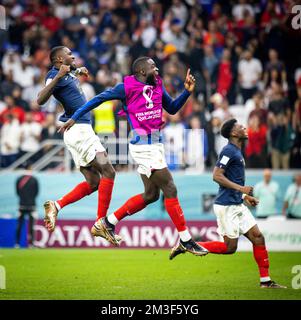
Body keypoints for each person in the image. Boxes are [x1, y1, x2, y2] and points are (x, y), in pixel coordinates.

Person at [59, 56, 208, 256]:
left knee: (151, 195)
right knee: (170, 188)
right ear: (142, 71)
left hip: (155, 144)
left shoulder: (157, 85)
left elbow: (171, 108)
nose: (157, 70)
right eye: (153, 67)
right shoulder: (125, 88)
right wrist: (74, 118)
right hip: (143, 146)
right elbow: (97, 99)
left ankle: (107, 223)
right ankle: (186, 240)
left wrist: (187, 93)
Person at [169, 118, 286, 288]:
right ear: (233, 133)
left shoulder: (237, 151)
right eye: (240, 126)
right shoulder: (228, 151)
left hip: (237, 204)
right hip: (226, 206)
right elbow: (216, 175)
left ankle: (265, 281)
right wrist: (242, 189)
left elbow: (230, 180)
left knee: (258, 238)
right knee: (230, 248)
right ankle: (187, 245)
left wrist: (245, 197)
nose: (244, 127)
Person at [37, 46, 118, 242]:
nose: (73, 55)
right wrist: (59, 76)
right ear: (58, 59)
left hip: (78, 133)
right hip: (80, 131)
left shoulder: (68, 72)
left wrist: (77, 70)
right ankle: (101, 223)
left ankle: (56, 206)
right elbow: (40, 99)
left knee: (93, 183)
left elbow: (71, 71)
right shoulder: (54, 74)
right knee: (109, 171)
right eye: (69, 54)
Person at [15, 166, 39, 247]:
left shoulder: (19, 179)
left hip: (21, 205)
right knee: (31, 226)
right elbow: (36, 192)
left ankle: (17, 243)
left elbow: (17, 192)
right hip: (32, 206)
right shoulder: (34, 179)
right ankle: (31, 244)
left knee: (19, 225)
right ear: (30, 169)